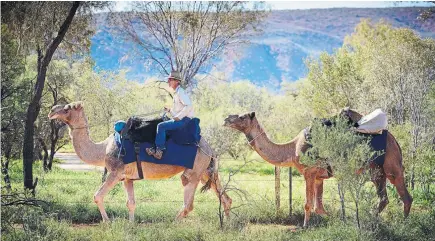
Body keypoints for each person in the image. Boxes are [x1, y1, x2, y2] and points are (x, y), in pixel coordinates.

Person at [146, 70, 194, 159]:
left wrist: (178, 117)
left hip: (184, 120)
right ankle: (156, 147)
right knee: (160, 123)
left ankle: (159, 151)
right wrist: (169, 110)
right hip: (181, 119)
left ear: (177, 81)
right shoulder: (176, 93)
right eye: (168, 80)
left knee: (161, 126)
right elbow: (178, 110)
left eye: (170, 80)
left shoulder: (181, 92)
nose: (168, 82)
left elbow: (189, 106)